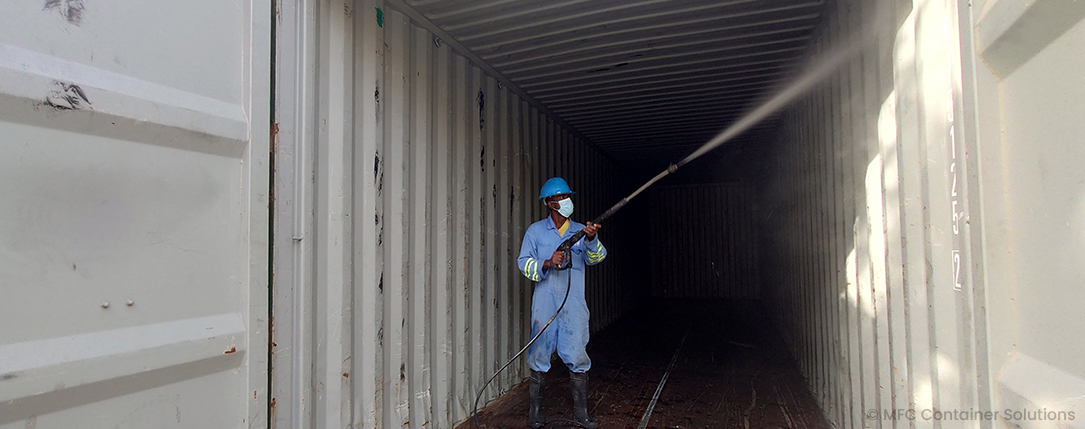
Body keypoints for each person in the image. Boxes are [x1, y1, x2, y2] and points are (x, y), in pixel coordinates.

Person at [517, 177, 606, 429]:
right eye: (560, 198)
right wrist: (548, 262)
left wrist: (590, 240)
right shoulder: (535, 232)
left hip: (573, 306)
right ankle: (535, 413)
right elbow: (524, 263)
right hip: (544, 305)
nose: (566, 201)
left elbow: (597, 258)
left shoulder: (581, 230)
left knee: (577, 355)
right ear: (549, 203)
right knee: (538, 356)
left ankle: (581, 414)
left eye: (567, 196)